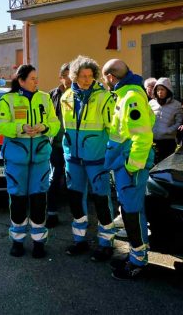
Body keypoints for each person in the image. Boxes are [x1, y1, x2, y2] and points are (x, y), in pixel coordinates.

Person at [0, 64, 60, 258]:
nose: (36, 81)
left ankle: (39, 242)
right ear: (21, 81)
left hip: (40, 156)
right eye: (32, 78)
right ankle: (18, 241)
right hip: (17, 158)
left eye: (36, 78)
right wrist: (20, 127)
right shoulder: (7, 100)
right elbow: (2, 126)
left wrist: (44, 127)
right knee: (18, 199)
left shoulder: (45, 98)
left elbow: (55, 124)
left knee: (39, 198)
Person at [102, 59, 155, 280]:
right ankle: (136, 256)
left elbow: (142, 136)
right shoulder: (126, 94)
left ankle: (138, 262)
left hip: (130, 166)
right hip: (125, 165)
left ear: (111, 78)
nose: (104, 82)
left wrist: (132, 167)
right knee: (131, 211)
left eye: (105, 78)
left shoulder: (131, 97)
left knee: (132, 214)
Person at [62, 56, 116, 261]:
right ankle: (79, 240)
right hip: (73, 158)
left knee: (102, 199)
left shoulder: (104, 97)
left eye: (90, 76)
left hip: (96, 158)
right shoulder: (66, 97)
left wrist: (111, 155)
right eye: (82, 76)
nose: (86, 80)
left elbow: (113, 130)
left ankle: (106, 243)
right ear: (74, 76)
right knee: (76, 199)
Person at [46, 63, 71, 228]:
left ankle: (78, 215)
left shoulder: (79, 94)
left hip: (73, 145)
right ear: (61, 77)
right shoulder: (52, 95)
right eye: (67, 75)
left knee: (73, 179)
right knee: (54, 178)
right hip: (55, 145)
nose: (71, 79)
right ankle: (52, 213)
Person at [149, 77, 183, 164]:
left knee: (166, 166)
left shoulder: (176, 105)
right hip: (152, 140)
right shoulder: (151, 103)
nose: (160, 92)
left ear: (168, 90)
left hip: (168, 142)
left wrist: (168, 130)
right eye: (157, 90)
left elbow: (179, 122)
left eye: (162, 89)